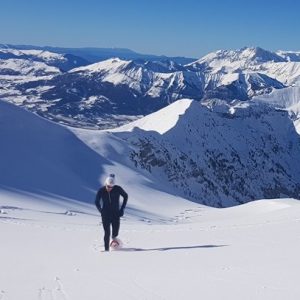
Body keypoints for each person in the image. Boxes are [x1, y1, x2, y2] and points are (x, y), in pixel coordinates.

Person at [95, 174, 128, 251]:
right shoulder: (101, 190)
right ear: (105, 184)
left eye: (111, 187)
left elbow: (125, 196)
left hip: (116, 214)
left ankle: (114, 240)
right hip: (105, 214)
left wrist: (122, 209)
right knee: (107, 233)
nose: (110, 188)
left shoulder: (118, 189)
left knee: (115, 233)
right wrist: (101, 210)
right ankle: (107, 250)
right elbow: (96, 201)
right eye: (108, 186)